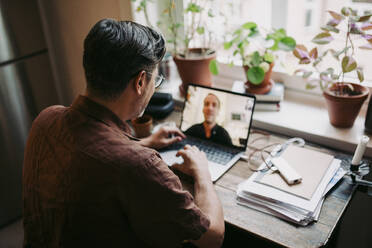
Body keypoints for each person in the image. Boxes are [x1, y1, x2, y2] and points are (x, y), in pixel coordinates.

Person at [23, 19, 224, 248]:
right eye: (155, 80)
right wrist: (202, 172)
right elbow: (212, 237)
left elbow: (93, 155)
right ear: (140, 81)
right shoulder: (140, 165)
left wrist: (144, 142)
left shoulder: (46, 119)